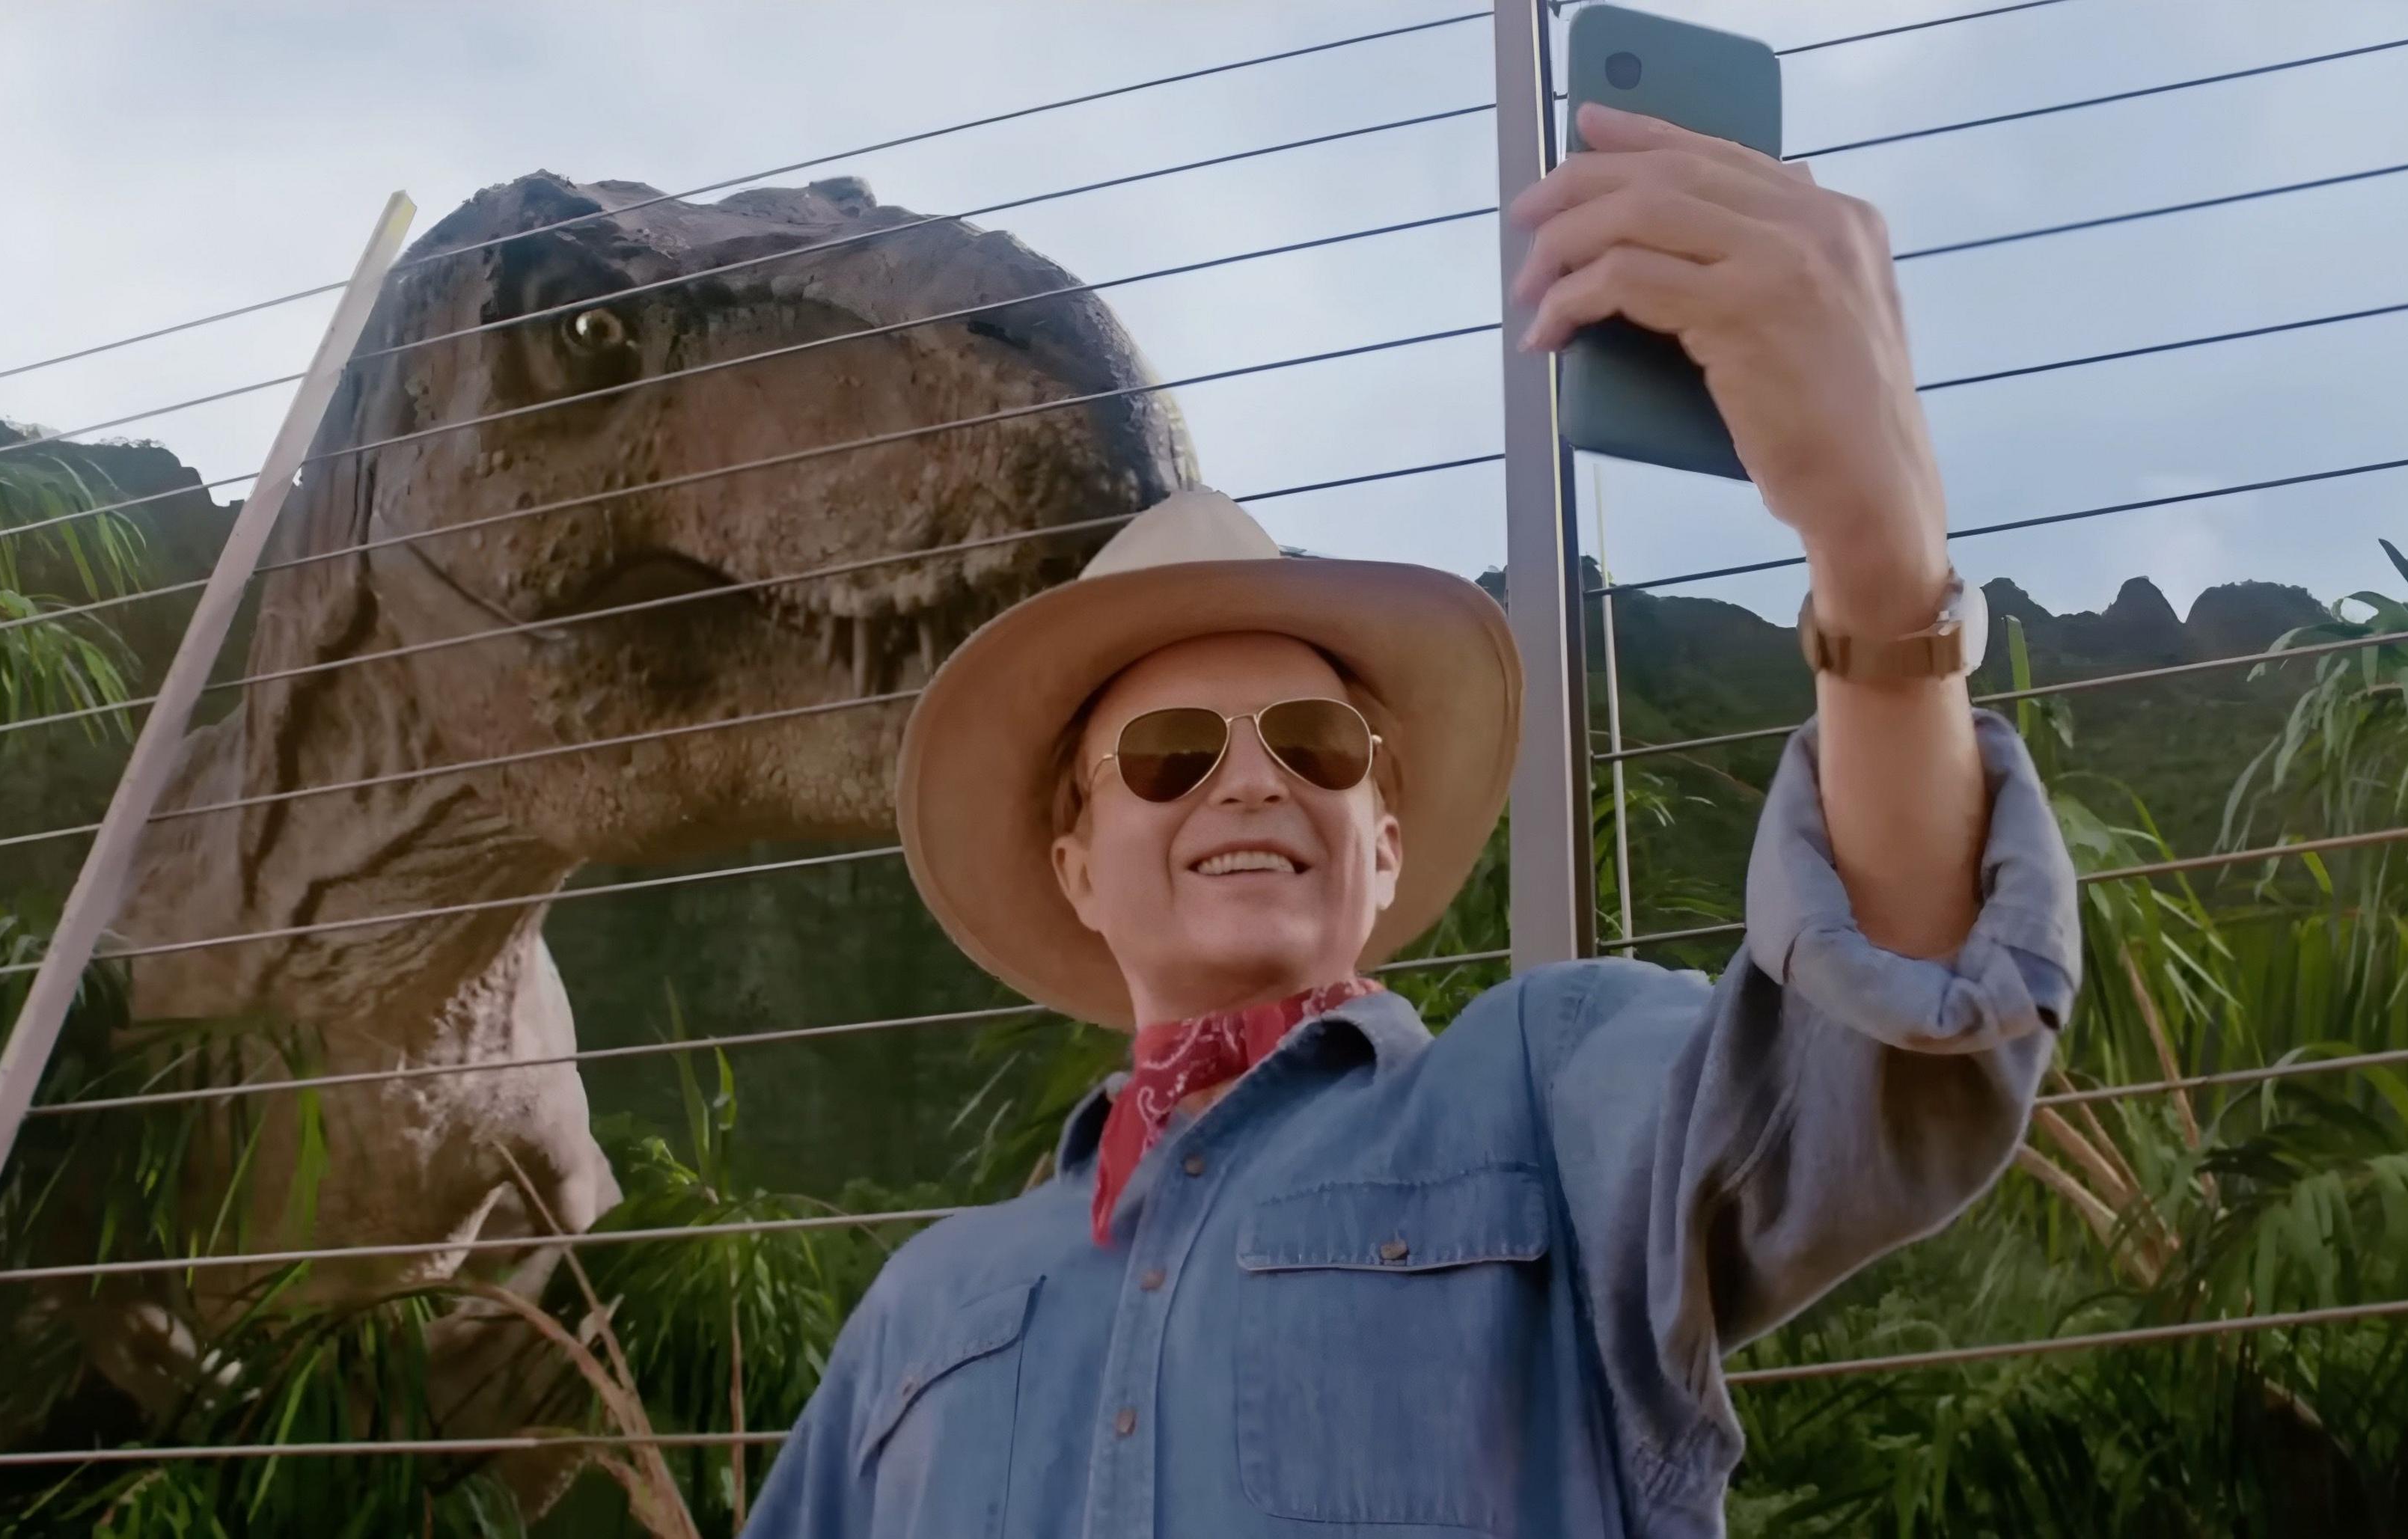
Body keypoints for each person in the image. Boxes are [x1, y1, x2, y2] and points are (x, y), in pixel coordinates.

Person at [740, 102, 2080, 1538]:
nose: (1251, 780)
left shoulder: (1548, 1092)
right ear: (1076, 861)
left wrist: (1881, 567)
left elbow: (1873, 1067)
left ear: (1382, 838)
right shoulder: (919, 1316)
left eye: (1317, 744)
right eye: (1171, 753)